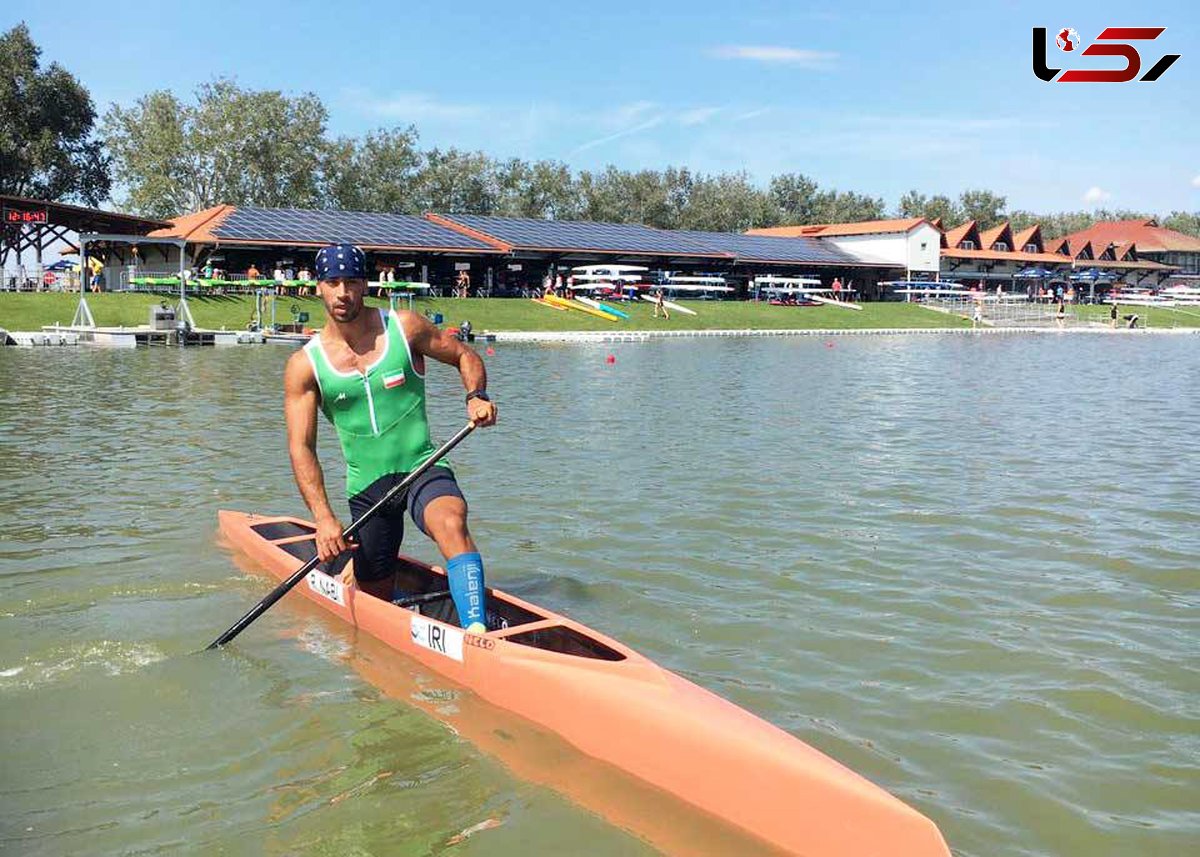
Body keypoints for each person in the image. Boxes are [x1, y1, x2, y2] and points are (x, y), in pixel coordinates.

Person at [284, 244, 498, 633]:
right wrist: (323, 519)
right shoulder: (304, 365)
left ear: (365, 284)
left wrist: (476, 396)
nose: (343, 292)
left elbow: (465, 356)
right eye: (333, 282)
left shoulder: (405, 328)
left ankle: (478, 634)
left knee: (450, 522)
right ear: (318, 288)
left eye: (351, 281)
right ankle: (355, 573)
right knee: (373, 598)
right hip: (367, 488)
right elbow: (302, 447)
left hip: (422, 465)